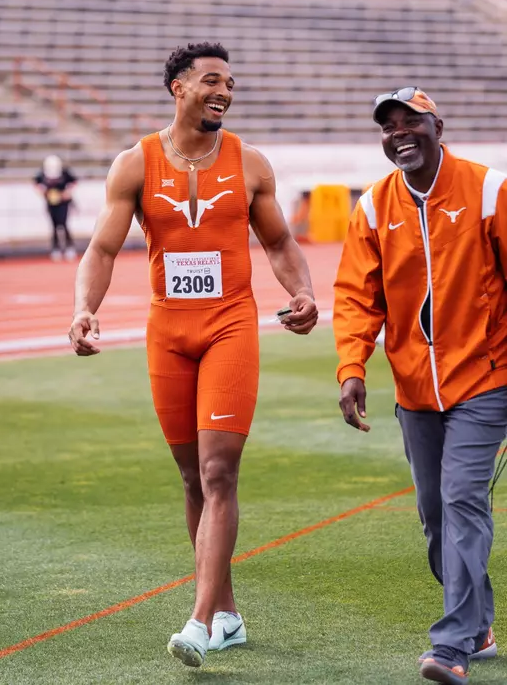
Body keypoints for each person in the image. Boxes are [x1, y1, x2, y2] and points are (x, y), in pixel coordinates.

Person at [68, 42, 318, 668]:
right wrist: (84, 308)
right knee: (190, 478)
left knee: (217, 472)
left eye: (230, 83)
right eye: (211, 81)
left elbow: (281, 241)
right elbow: (101, 250)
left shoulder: (250, 163)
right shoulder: (136, 163)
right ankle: (228, 612)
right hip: (168, 332)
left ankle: (201, 620)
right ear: (179, 88)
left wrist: (304, 292)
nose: (223, 91)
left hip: (231, 325)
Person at [333, 87, 507, 685]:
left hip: (485, 379)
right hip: (414, 388)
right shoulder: (374, 206)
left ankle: (452, 645)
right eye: (389, 126)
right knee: (435, 516)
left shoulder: (488, 190)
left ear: (439, 126)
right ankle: (480, 623)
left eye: (412, 122)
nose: (399, 133)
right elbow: (358, 295)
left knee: (462, 502)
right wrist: (352, 367)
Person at [34, 155, 77, 261]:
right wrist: (42, 192)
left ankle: (69, 247)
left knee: (63, 224)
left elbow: (74, 182)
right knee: (54, 225)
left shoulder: (65, 172)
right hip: (51, 203)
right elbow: (36, 183)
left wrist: (67, 192)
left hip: (63, 203)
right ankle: (55, 248)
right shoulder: (42, 174)